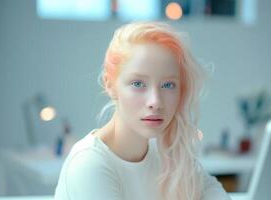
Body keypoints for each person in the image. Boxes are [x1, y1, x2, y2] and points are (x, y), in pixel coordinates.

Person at [54, 21, 231, 200]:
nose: (155, 102)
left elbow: (213, 192)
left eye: (168, 85)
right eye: (138, 84)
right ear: (110, 84)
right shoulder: (89, 164)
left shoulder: (167, 155)